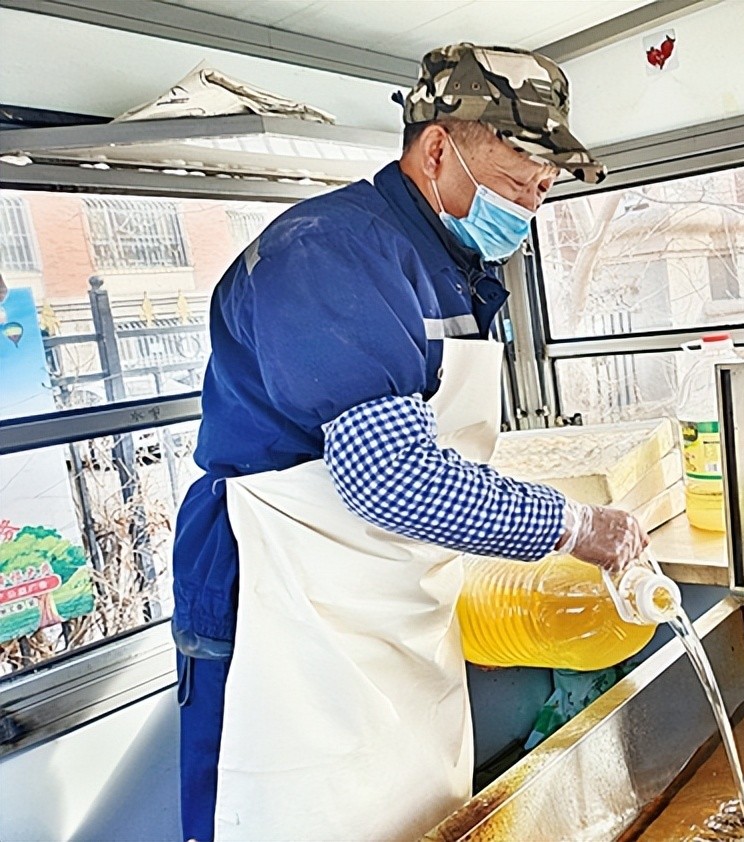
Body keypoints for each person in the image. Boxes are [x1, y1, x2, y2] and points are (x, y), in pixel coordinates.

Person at [172, 43, 648, 841]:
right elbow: (391, 476)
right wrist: (577, 527)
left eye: (543, 189)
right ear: (437, 147)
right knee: (284, 808)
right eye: (516, 179)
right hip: (280, 596)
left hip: (383, 593)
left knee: (409, 809)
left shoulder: (453, 264)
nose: (529, 206)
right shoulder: (331, 254)